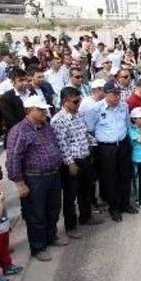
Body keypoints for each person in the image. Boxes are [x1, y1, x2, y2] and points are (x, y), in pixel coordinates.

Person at [6, 95, 65, 261]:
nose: (44, 112)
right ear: (29, 111)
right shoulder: (19, 131)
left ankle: (51, 236)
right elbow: (14, 158)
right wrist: (19, 183)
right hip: (34, 178)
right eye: (40, 109)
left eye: (44, 109)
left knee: (53, 209)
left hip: (52, 174)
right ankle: (38, 247)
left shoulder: (46, 126)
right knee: (36, 214)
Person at [51, 86, 103, 236]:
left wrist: (93, 145)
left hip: (85, 157)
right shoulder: (58, 120)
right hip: (72, 162)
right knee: (70, 196)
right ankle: (71, 227)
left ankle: (86, 217)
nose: (78, 104)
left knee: (86, 190)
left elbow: (84, 134)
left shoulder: (78, 114)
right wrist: (70, 163)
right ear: (65, 101)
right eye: (75, 101)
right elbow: (61, 144)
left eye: (79, 100)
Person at [83, 82, 133, 222]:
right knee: (110, 179)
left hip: (122, 144)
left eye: (118, 94)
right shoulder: (95, 109)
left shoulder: (124, 106)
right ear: (105, 93)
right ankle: (114, 208)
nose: (117, 97)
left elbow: (127, 124)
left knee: (125, 175)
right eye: (114, 94)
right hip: (106, 148)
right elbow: (91, 129)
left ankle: (125, 204)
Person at [0, 68, 35, 138]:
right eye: (21, 80)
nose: (25, 83)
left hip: (35, 132)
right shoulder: (6, 97)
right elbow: (11, 121)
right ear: (13, 82)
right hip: (17, 136)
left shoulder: (32, 92)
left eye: (26, 79)